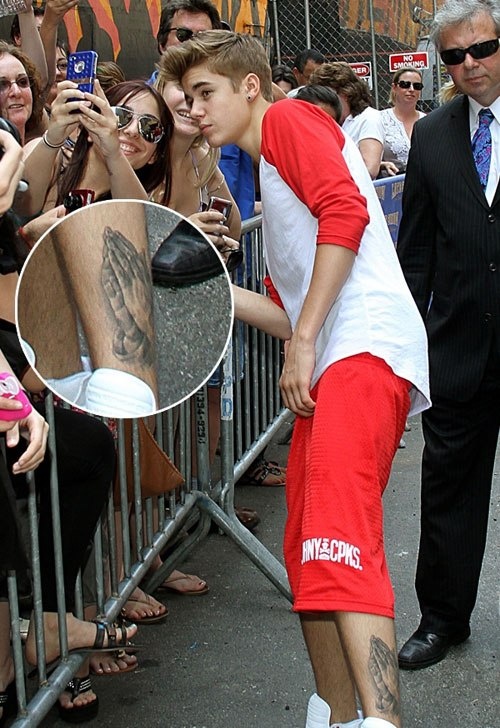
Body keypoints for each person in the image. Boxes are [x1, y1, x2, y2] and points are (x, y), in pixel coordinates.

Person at [161, 29, 430, 728]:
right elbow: (287, 314)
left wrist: (306, 340)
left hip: (364, 347)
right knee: (308, 545)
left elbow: (345, 210)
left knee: (337, 531)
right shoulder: (273, 167)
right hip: (341, 350)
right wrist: (214, 284)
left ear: (249, 86)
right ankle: (335, 715)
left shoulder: (286, 119)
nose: (194, 109)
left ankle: (381, 720)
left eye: (205, 92)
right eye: (187, 97)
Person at [396, 0, 500, 671]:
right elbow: (415, 253)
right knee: (448, 492)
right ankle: (441, 620)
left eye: (482, 48)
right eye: (455, 56)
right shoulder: (432, 135)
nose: (471, 65)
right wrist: (407, 351)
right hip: (458, 350)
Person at [309, 62, 384, 179]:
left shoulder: (368, 118)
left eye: (327, 94)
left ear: (346, 93)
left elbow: (369, 169)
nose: (322, 99)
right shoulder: (325, 120)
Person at [379, 67, 425, 177]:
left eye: (417, 86)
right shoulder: (379, 119)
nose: (411, 89)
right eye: (405, 85)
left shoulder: (427, 120)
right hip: (391, 182)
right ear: (394, 87)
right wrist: (382, 165)